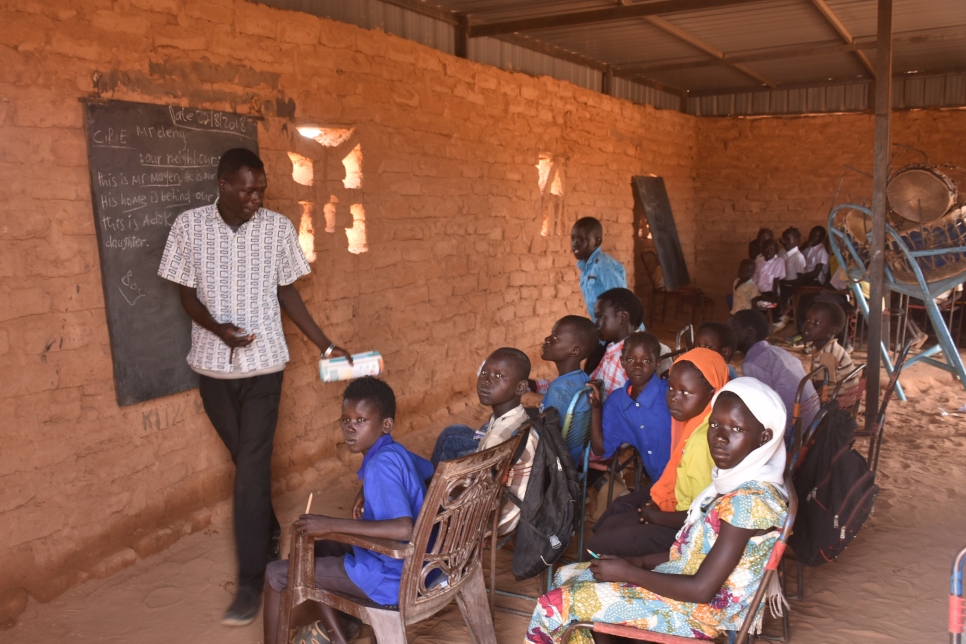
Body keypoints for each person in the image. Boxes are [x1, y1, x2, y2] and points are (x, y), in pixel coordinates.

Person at [157, 148, 352, 625]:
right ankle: (265, 529)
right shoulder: (189, 227)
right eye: (247, 189)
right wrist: (218, 329)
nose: (256, 197)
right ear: (222, 183)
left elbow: (288, 290)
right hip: (213, 371)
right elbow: (185, 292)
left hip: (265, 368)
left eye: (260, 188)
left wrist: (325, 345)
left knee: (250, 467)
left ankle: (251, 580)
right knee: (245, 463)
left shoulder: (277, 228)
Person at [526, 378, 789, 643]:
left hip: (697, 613)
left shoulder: (749, 502)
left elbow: (702, 590)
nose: (720, 437)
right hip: (685, 584)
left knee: (554, 605)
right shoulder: (738, 482)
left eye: (737, 429)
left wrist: (630, 573)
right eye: (715, 424)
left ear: (764, 437)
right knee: (567, 574)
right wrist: (637, 562)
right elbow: (691, 555)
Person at [262, 378, 434, 644]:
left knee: (275, 574)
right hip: (419, 567)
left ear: (386, 425)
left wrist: (330, 524)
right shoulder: (395, 451)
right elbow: (429, 470)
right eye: (346, 420)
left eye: (361, 421)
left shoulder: (379, 467)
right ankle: (338, 636)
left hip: (391, 578)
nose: (350, 429)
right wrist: (365, 489)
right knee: (313, 549)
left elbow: (403, 527)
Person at [586, 348, 728, 558]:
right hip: (677, 503)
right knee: (616, 513)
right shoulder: (692, 421)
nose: (674, 398)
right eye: (671, 388)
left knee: (601, 542)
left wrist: (656, 515)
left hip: (689, 530)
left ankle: (602, 570)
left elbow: (701, 514)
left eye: (686, 392)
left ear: (712, 393)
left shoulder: (703, 441)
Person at [429, 347, 536, 534]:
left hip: (498, 517)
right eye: (485, 372)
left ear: (520, 387)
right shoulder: (516, 416)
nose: (486, 381)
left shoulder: (498, 437)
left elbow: (477, 492)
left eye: (499, 376)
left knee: (420, 496)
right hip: (509, 502)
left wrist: (435, 488)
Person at [587, 332, 672, 482]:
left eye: (646, 360)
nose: (638, 366)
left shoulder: (670, 394)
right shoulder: (617, 402)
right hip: (658, 482)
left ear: (657, 363)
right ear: (622, 362)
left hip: (685, 477)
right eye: (631, 359)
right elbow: (600, 448)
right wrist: (596, 408)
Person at [729, 309, 819, 450]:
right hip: (810, 422)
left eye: (732, 329)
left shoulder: (753, 363)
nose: (728, 334)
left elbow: (761, 410)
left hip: (792, 434)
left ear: (749, 333)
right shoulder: (776, 351)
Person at [538, 315, 599, 464]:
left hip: (554, 464)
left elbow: (551, 437)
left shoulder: (559, 390)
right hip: (573, 458)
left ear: (574, 351)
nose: (547, 339)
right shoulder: (582, 378)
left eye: (555, 337)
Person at [591, 288, 672, 396]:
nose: (596, 323)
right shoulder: (611, 348)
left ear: (623, 317)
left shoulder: (623, 358)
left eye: (601, 317)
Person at [571, 217, 628, 321]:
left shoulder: (603, 265)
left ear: (597, 241)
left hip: (618, 329)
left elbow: (621, 302)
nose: (575, 243)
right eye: (573, 238)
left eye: (582, 239)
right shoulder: (587, 269)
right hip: (604, 328)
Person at [801, 300, 857, 390]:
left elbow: (822, 390)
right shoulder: (824, 348)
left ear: (833, 330)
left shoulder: (827, 355)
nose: (808, 325)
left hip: (837, 402)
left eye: (816, 323)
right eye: (807, 320)